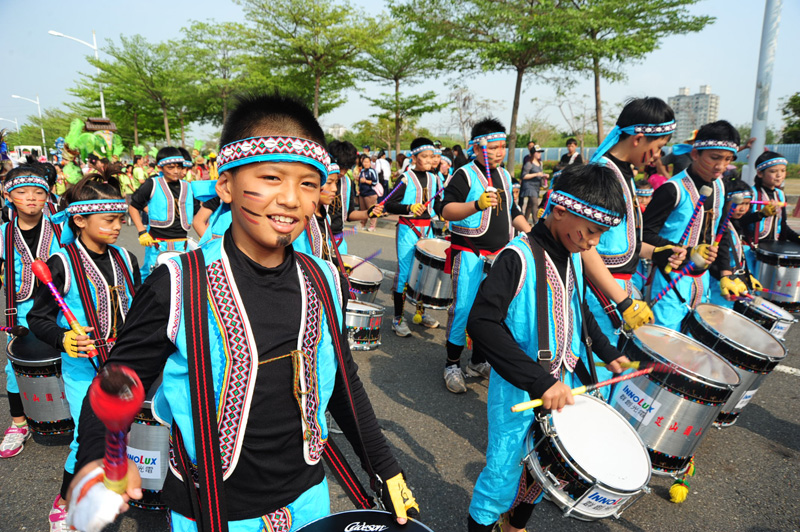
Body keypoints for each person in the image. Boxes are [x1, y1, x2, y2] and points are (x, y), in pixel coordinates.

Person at [65, 92, 418, 532]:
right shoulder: (178, 284)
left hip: (309, 500)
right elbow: (117, 382)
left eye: (309, 183)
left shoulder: (323, 277)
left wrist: (384, 466)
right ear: (226, 185)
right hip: (212, 509)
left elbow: (343, 380)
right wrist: (100, 461)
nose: (291, 198)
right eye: (271, 177)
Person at [465, 163, 630, 532]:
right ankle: (485, 521)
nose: (592, 244)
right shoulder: (516, 257)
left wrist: (609, 353)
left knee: (547, 467)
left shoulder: (570, 254)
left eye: (600, 235)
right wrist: (538, 381)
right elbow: (482, 324)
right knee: (503, 472)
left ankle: (515, 525)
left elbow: (578, 309)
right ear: (559, 209)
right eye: (590, 232)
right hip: (519, 387)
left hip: (562, 385)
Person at [27, 170, 138, 532]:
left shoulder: (125, 257)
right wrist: (64, 339)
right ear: (80, 219)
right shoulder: (62, 262)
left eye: (121, 219)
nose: (118, 226)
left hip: (121, 365)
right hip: (82, 370)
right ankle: (66, 501)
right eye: (109, 220)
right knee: (87, 436)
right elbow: (37, 317)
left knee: (124, 432)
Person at [581, 97, 682, 390]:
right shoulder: (604, 175)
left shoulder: (623, 173)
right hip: (597, 295)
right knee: (589, 379)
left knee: (604, 376)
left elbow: (622, 243)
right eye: (658, 147)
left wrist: (659, 253)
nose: (658, 156)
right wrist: (623, 301)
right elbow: (584, 248)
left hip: (613, 292)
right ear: (638, 138)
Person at [439, 119, 532, 394]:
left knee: (492, 312)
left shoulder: (503, 175)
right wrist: (476, 204)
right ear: (477, 147)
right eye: (494, 146)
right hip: (470, 254)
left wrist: (531, 233)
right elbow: (445, 210)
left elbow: (513, 211)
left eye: (503, 146)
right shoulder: (464, 175)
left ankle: (478, 361)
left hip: (500, 256)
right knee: (464, 310)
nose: (500, 151)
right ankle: (452, 364)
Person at [642, 120, 744, 330]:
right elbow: (644, 234)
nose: (720, 166)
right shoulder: (672, 190)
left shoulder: (721, 187)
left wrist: (726, 273)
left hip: (703, 280)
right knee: (665, 346)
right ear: (695, 154)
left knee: (694, 346)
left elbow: (721, 231)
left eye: (727, 160)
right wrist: (689, 252)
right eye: (714, 158)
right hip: (670, 279)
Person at [0, 164, 63, 461]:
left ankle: (73, 418)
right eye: (22, 192)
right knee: (15, 369)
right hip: (23, 309)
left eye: (39, 192)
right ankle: (19, 424)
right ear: (8, 195)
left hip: (60, 307)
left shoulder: (62, 227)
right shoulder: (3, 233)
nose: (31, 198)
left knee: (70, 362)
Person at [384, 137, 444, 336]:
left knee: (424, 274)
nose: (429, 160)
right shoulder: (406, 178)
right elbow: (388, 203)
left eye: (432, 156)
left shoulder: (435, 179)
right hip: (408, 230)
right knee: (405, 274)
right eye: (424, 157)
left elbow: (437, 205)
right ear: (414, 157)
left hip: (427, 230)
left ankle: (421, 312)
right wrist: (409, 207)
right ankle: (398, 319)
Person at [128, 146, 199, 280]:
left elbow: (198, 214)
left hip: (182, 243)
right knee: (150, 276)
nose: (176, 171)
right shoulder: (152, 184)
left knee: (180, 279)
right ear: (160, 168)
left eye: (179, 167)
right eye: (170, 168)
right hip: (157, 243)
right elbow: (133, 207)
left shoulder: (188, 187)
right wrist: (142, 231)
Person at [709, 178, 758, 308]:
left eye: (747, 204)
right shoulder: (719, 225)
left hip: (731, 281)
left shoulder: (734, 223)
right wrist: (726, 277)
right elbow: (719, 256)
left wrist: (747, 275)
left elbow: (738, 255)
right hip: (717, 283)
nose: (743, 208)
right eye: (738, 203)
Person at [747, 150, 799, 246]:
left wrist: (797, 238)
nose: (779, 175)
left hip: (774, 247)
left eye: (783, 170)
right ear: (760, 173)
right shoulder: (750, 194)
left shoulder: (780, 195)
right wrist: (761, 214)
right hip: (750, 247)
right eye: (773, 171)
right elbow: (740, 221)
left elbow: (782, 225)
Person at [519, 144, 547, 223]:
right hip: (529, 186)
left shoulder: (540, 163)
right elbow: (524, 175)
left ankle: (524, 221)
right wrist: (536, 174)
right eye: (537, 152)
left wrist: (544, 176)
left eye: (540, 152)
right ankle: (536, 222)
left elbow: (540, 174)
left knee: (530, 205)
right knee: (535, 203)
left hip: (536, 186)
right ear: (533, 153)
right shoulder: (529, 163)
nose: (539, 154)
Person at [357, 154, 379, 232]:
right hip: (362, 193)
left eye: (367, 162)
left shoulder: (372, 171)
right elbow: (360, 181)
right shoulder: (362, 171)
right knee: (363, 210)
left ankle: (372, 226)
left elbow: (375, 182)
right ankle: (362, 224)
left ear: (370, 163)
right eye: (364, 162)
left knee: (372, 210)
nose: (365, 163)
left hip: (370, 193)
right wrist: (359, 189)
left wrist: (365, 181)